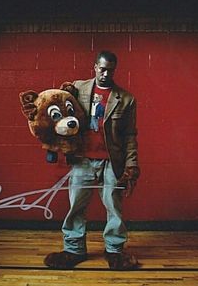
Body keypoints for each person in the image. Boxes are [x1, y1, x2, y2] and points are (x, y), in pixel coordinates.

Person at [44, 50, 140, 270]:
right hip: (82, 160)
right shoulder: (78, 88)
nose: (106, 73)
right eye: (102, 68)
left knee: (114, 207)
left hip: (111, 162)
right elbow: (57, 110)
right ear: (95, 66)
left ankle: (115, 252)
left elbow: (130, 135)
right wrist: (53, 141)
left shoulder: (126, 99)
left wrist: (132, 164)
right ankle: (73, 249)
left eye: (111, 70)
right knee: (76, 206)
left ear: (114, 70)